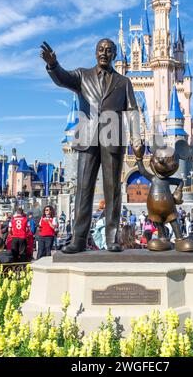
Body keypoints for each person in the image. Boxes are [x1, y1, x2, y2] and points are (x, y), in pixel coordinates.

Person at [41, 39, 142, 253]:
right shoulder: (82, 76)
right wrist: (53, 65)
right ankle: (78, 239)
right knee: (84, 188)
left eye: (108, 50)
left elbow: (132, 110)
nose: (104, 53)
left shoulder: (123, 82)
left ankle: (113, 238)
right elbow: (62, 79)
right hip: (87, 137)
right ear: (95, 53)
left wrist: (136, 138)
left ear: (115, 54)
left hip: (113, 137)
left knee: (113, 189)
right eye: (100, 49)